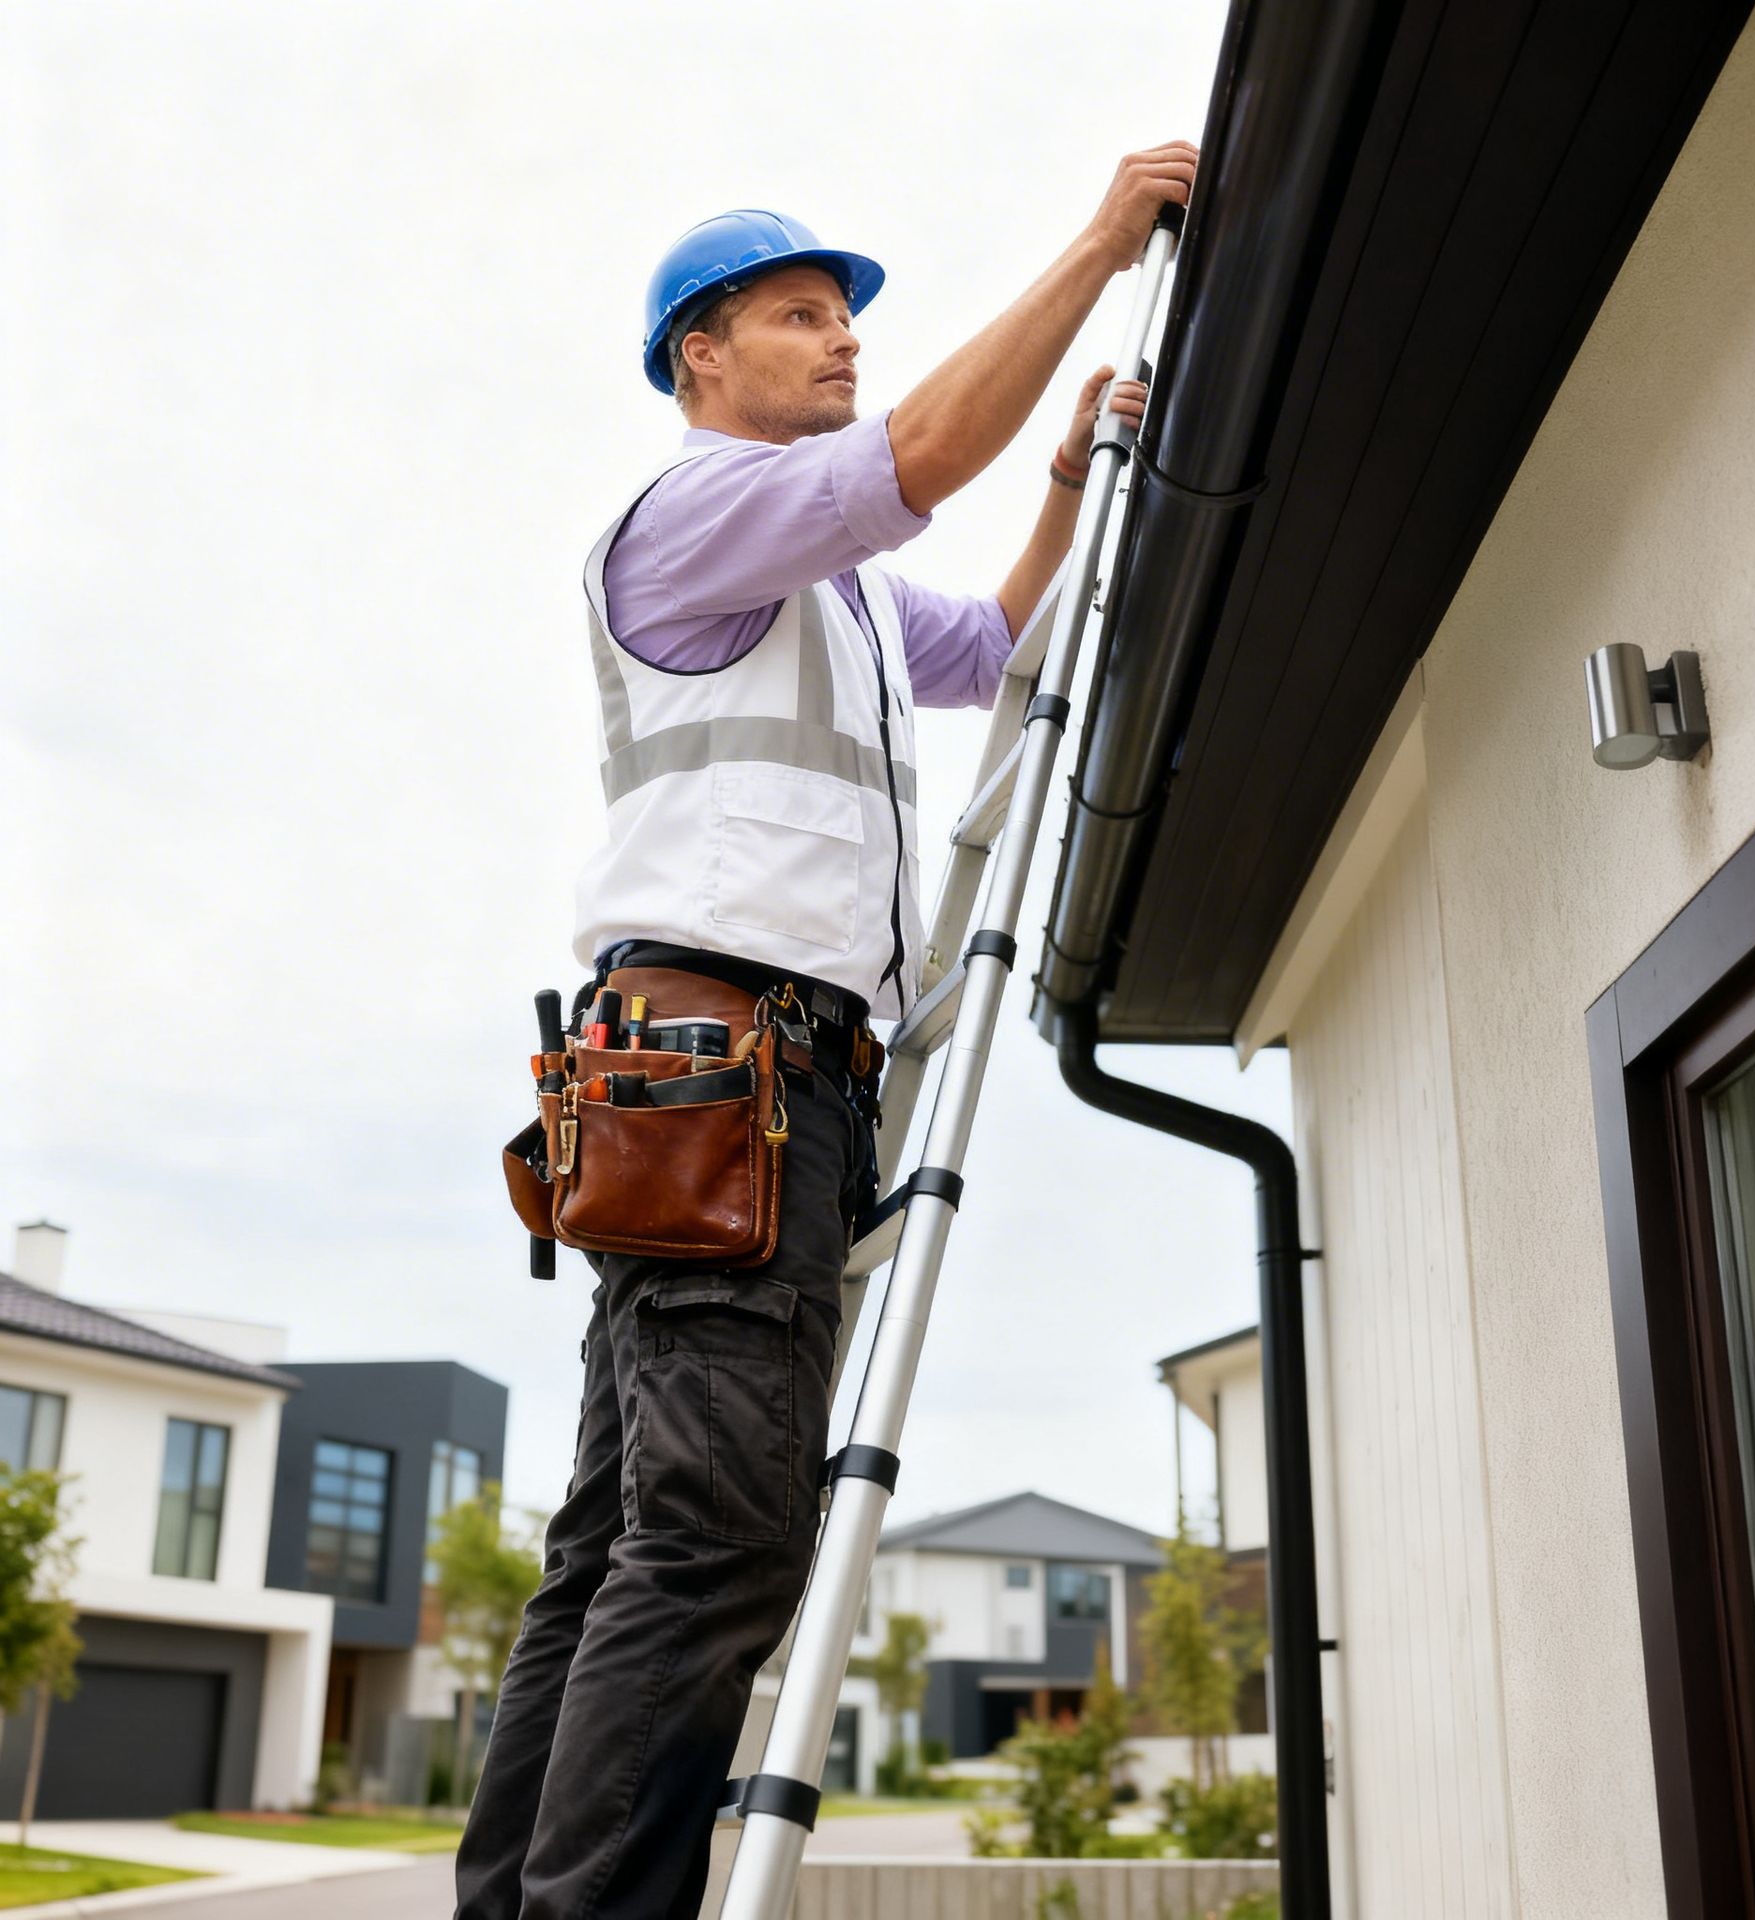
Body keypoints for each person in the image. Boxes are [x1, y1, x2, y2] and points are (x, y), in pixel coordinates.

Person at [454, 139, 1197, 1920]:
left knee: (617, 1546)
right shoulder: (693, 514)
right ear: (700, 357)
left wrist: (1074, 483)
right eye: (802, 317)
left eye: (850, 319)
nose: (842, 341)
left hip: (713, 1083)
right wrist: (1104, 241)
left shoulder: (839, 590)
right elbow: (914, 462)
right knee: (716, 1543)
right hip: (727, 1078)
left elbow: (996, 640)